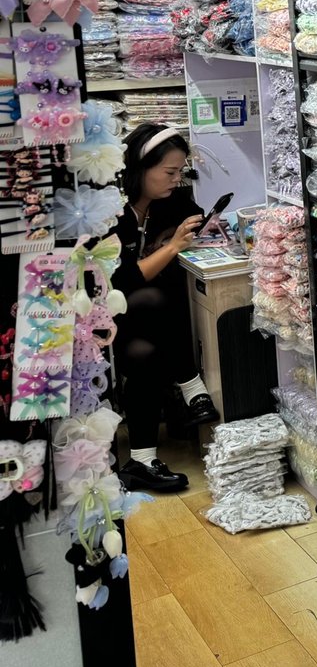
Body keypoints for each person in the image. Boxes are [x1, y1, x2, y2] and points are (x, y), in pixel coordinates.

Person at [111, 125, 219, 493]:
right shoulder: (110, 212)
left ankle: (142, 460)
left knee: (146, 344)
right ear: (141, 168)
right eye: (169, 173)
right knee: (151, 300)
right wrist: (170, 246)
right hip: (104, 316)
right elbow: (122, 282)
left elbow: (195, 213)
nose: (177, 179)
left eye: (181, 172)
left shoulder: (169, 201)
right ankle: (191, 386)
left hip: (146, 324)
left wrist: (201, 227)